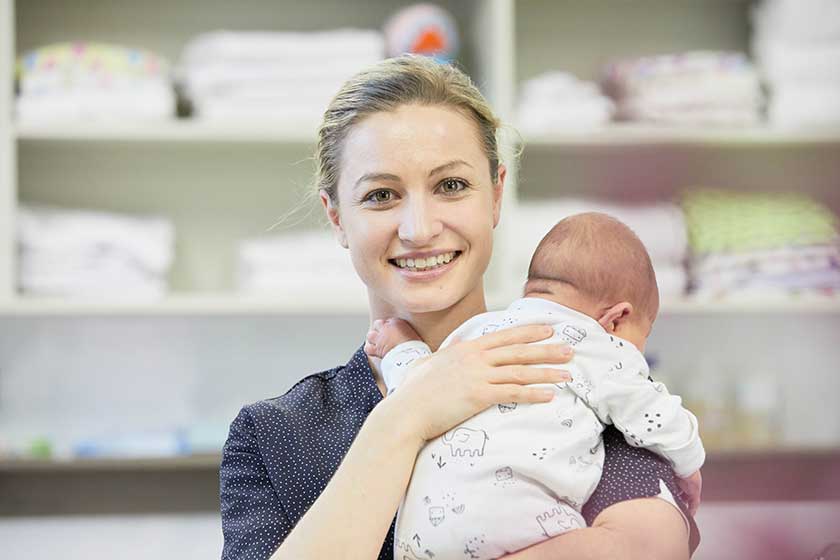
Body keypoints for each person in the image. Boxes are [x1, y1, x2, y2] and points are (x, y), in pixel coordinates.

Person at [220, 54, 701, 560]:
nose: (419, 229)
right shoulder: (274, 436)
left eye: (451, 186)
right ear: (336, 217)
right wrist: (407, 415)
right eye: (381, 195)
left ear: (495, 195)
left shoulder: (576, 377)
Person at [365, 212, 705, 559]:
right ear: (617, 319)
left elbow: (414, 387)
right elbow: (653, 414)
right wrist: (689, 465)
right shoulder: (599, 346)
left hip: (420, 543)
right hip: (522, 531)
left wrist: (400, 348)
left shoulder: (477, 334)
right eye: (643, 337)